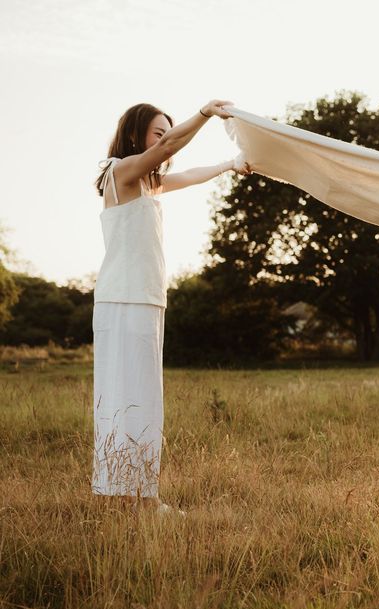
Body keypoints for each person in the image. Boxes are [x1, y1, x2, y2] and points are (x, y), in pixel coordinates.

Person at [92, 100, 249, 512]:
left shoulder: (147, 183)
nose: (167, 143)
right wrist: (205, 114)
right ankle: (144, 501)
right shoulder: (119, 171)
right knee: (132, 398)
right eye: (158, 134)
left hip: (142, 299)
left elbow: (190, 175)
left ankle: (132, 496)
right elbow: (164, 155)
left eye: (167, 134)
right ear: (134, 136)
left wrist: (229, 165)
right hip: (125, 299)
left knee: (138, 398)